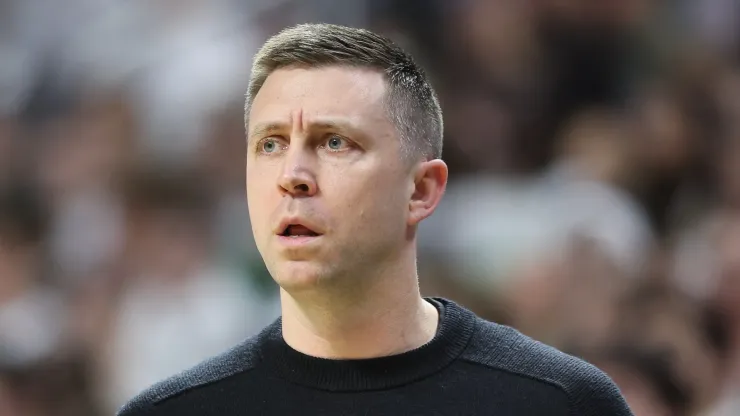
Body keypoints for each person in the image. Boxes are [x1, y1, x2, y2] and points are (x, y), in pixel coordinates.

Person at [118, 23, 633, 415]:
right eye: (270, 144)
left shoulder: (560, 403)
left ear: (421, 191)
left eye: (335, 142)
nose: (292, 176)